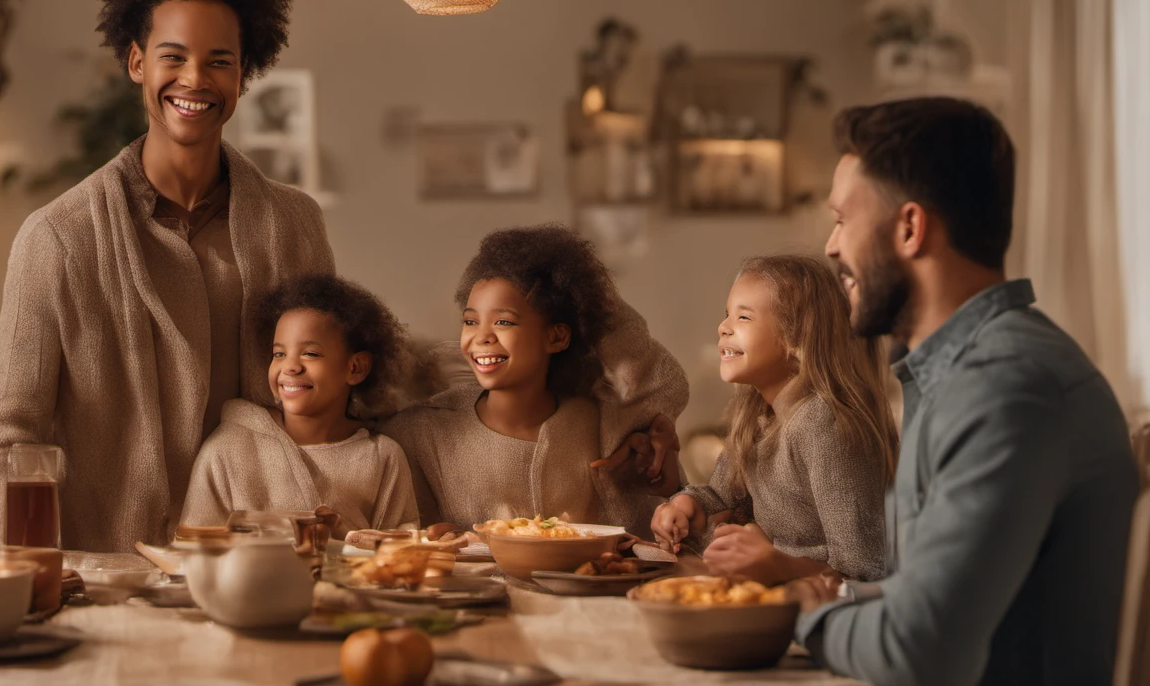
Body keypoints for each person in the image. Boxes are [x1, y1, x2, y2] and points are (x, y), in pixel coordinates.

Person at [791, 97, 1138, 686]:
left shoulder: (1004, 385)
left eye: (841, 218)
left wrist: (810, 623)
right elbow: (931, 598)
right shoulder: (955, 370)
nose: (829, 248)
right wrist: (823, 602)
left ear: (910, 228)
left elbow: (924, 655)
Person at [0, 0, 335, 552]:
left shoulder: (295, 225)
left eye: (219, 60)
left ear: (244, 73)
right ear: (136, 61)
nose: (195, 80)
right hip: (112, 576)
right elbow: (11, 435)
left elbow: (335, 389)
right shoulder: (57, 238)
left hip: (264, 565)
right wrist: (33, 578)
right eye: (173, 57)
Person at [385, 224, 688, 530]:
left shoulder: (604, 426)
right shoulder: (420, 432)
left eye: (504, 321)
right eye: (470, 321)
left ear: (557, 337)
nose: (482, 336)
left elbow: (657, 375)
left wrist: (585, 287)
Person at [651, 254, 897, 584]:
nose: (723, 327)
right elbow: (724, 496)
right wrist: (686, 506)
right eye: (727, 315)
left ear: (797, 338)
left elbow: (864, 566)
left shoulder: (823, 423)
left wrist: (779, 564)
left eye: (744, 317)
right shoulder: (756, 416)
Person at [180, 273, 417, 534]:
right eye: (279, 354)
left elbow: (399, 551)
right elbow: (195, 548)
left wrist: (341, 537)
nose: (290, 367)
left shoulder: (382, 456)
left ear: (356, 367)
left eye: (310, 354)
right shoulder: (227, 450)